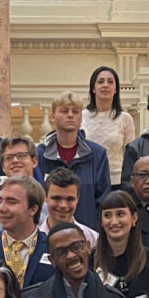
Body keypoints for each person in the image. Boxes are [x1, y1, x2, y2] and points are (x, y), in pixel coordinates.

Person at [37, 92, 112, 229]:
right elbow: (37, 199)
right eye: (64, 111)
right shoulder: (40, 154)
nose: (70, 115)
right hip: (48, 233)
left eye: (75, 111)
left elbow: (103, 201)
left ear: (80, 117)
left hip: (88, 234)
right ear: (53, 116)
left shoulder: (97, 154)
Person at [0, 176, 55, 289]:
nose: (0, 208)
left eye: (11, 202)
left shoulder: (52, 248)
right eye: (1, 201)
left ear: (33, 209)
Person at [0, 138, 50, 237]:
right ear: (2, 166)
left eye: (21, 156)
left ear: (34, 161)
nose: (15, 161)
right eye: (9, 157)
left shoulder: (49, 204)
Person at [84, 65, 139, 178]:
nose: (105, 85)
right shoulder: (81, 116)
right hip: (88, 177)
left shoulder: (125, 118)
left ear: (115, 89)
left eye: (110, 82)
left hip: (116, 179)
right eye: (100, 82)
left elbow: (130, 155)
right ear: (93, 88)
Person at [95, 190, 149, 298]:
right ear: (101, 221)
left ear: (134, 218)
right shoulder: (90, 261)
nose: (114, 221)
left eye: (120, 214)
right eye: (107, 215)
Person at [43, 167, 99, 246]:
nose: (63, 205)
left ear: (78, 199)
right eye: (56, 198)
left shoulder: (93, 239)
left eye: (70, 199)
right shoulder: (33, 239)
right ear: (45, 197)